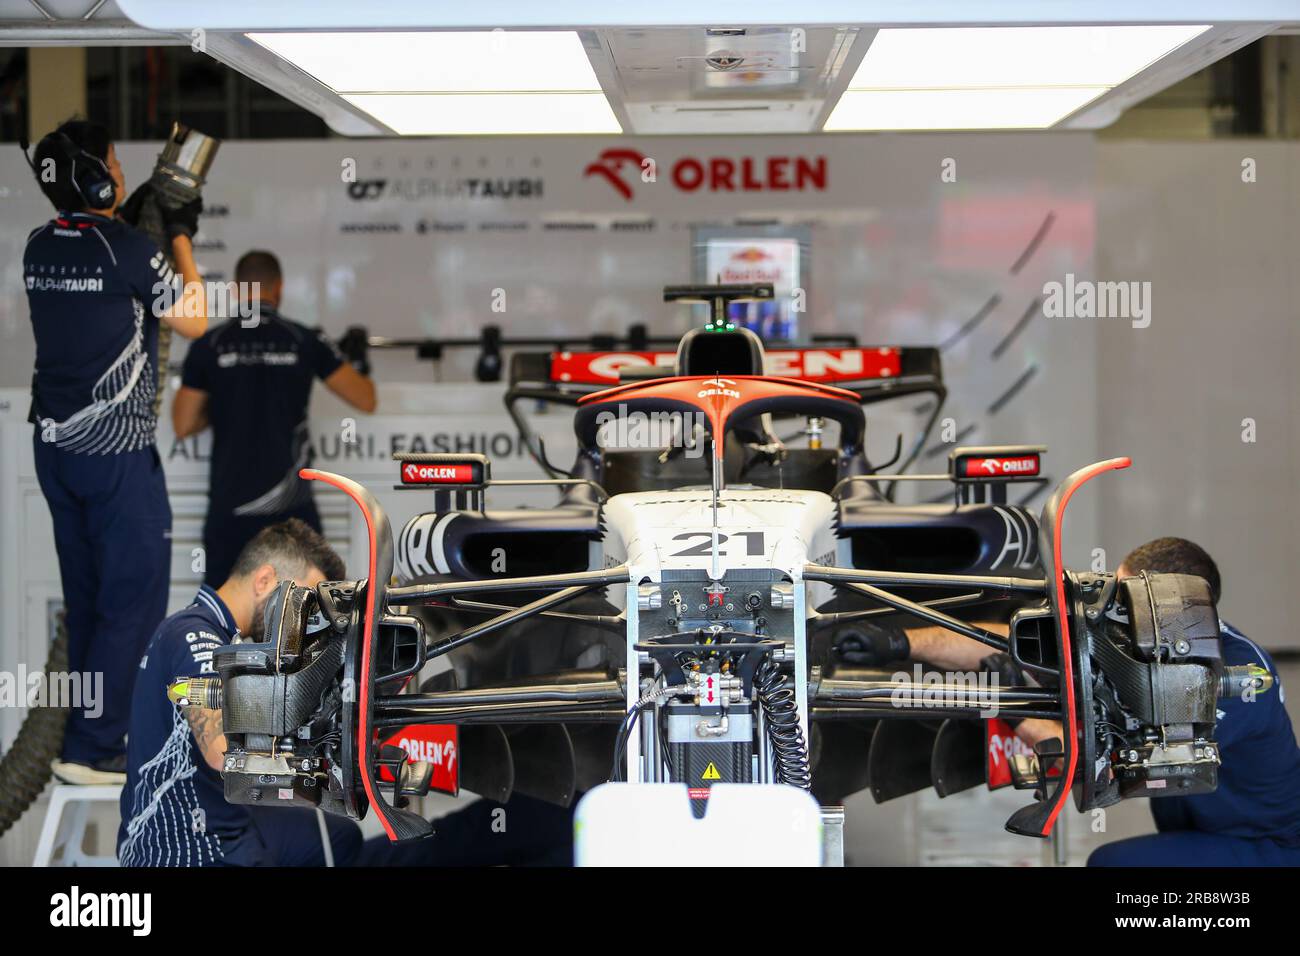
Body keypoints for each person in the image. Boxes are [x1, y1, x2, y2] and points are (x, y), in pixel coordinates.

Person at [853, 536, 1300, 867]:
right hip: (1207, 829)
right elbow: (1013, 642)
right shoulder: (1151, 637)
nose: (1110, 610)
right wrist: (896, 642)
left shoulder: (1240, 686)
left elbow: (1092, 764)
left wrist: (1004, 705)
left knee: (1113, 866)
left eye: (1124, 602)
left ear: (1171, 608)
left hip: (1267, 846)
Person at [23, 118, 207, 785]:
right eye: (111, 164)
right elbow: (194, 316)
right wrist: (181, 233)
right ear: (95, 177)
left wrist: (124, 224)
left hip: (56, 453)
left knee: (90, 596)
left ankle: (84, 740)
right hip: (115, 456)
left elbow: (96, 266)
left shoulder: (39, 244)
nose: (121, 174)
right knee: (131, 598)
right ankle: (97, 746)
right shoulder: (125, 247)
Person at [117, 519, 363, 866]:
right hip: (186, 845)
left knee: (339, 836)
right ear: (263, 581)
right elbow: (222, 753)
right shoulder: (197, 639)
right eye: (303, 604)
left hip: (219, 814)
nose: (307, 622)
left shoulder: (213, 633)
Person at [172, 250, 376, 587]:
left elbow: (183, 424)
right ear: (279, 288)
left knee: (225, 621)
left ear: (236, 290)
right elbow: (366, 398)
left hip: (230, 509)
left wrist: (226, 401)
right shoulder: (303, 339)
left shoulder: (211, 344)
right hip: (293, 513)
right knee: (309, 616)